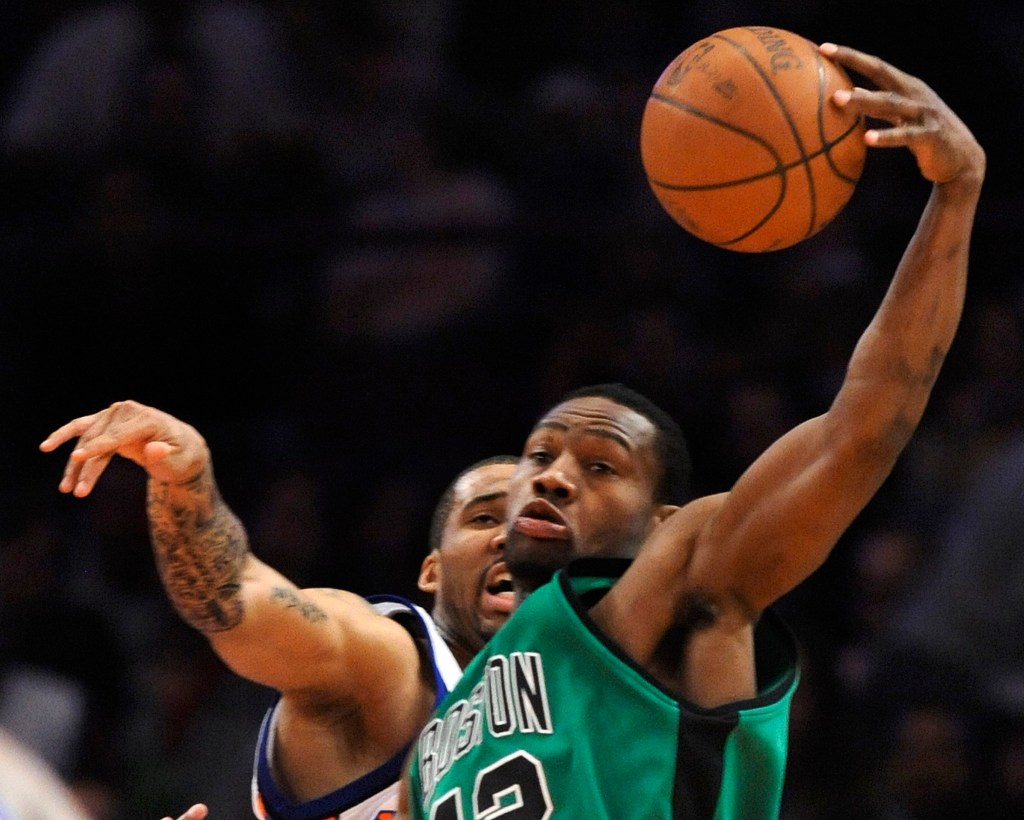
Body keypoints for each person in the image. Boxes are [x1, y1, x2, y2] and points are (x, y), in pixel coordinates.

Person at [401, 40, 986, 818]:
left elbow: (863, 427)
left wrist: (954, 195)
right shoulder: (432, 746)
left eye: (602, 466)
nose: (549, 475)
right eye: (539, 455)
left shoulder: (684, 580)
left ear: (661, 524)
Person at [39, 403, 518, 820]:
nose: (510, 535)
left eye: (532, 520)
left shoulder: (583, 707)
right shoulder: (389, 663)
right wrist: (186, 484)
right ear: (431, 570)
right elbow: (236, 596)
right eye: (484, 517)